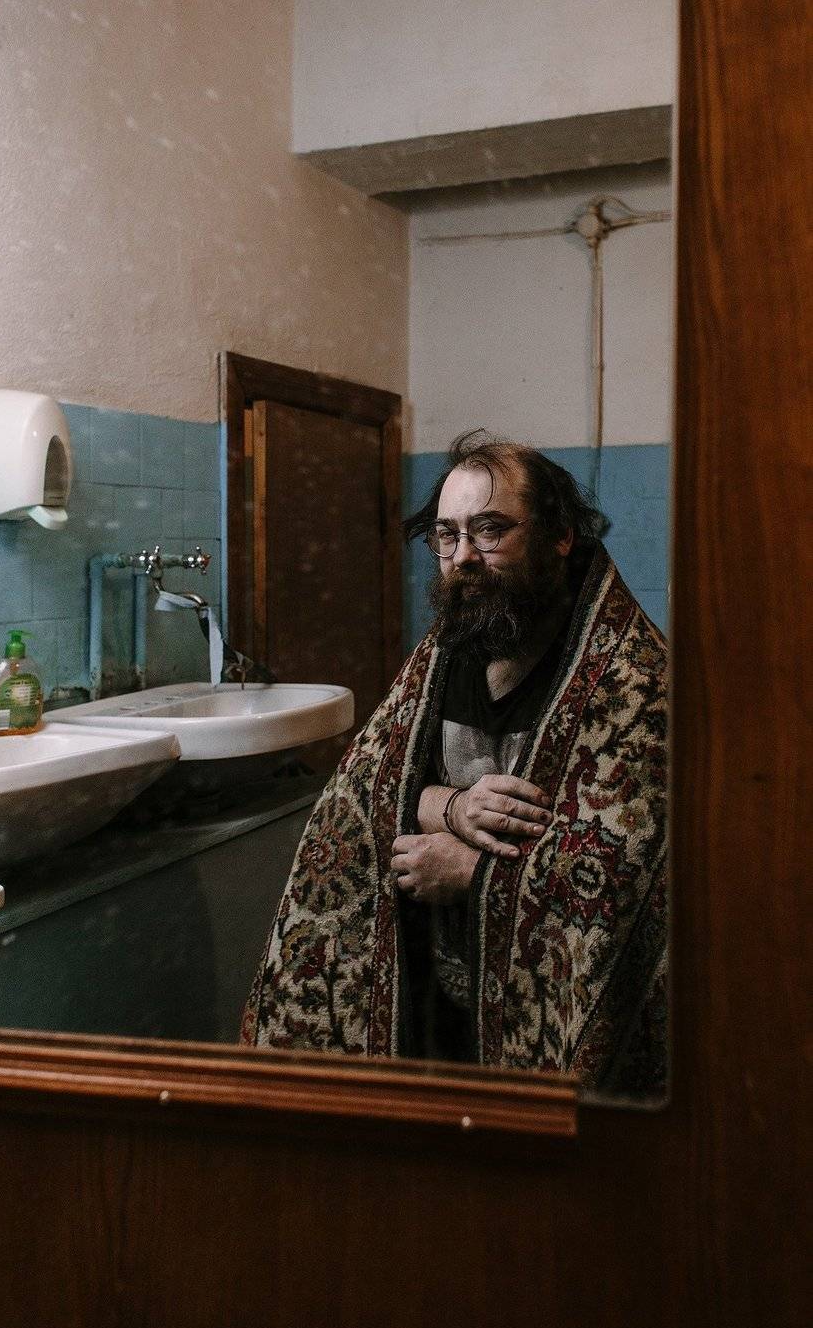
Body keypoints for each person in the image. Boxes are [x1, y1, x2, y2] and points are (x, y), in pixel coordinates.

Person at [241, 432, 668, 1096]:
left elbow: (634, 876)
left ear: (559, 536)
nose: (463, 556)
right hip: (435, 1000)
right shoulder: (448, 649)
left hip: (556, 1022)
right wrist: (450, 806)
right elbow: (360, 790)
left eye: (489, 530)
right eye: (446, 536)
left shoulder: (635, 681)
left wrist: (476, 875)